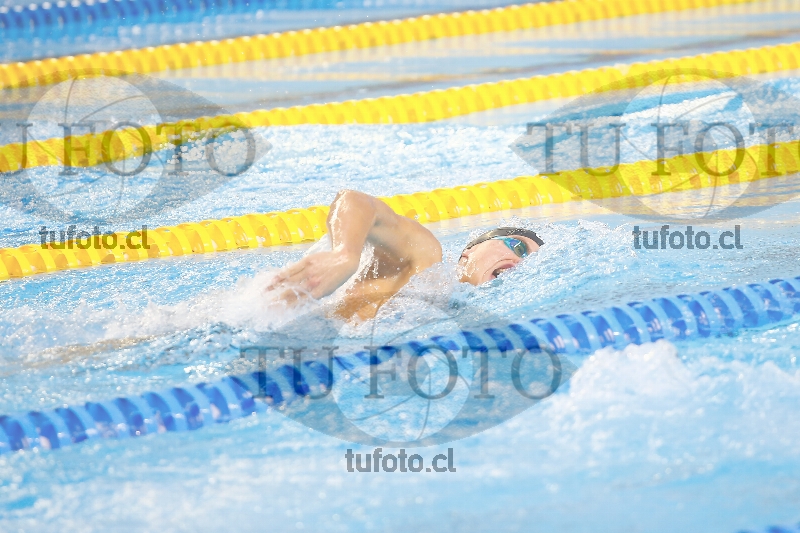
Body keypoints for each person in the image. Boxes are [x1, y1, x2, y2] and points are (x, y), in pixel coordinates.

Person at [267, 190, 543, 320]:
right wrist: (345, 254)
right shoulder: (425, 260)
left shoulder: (454, 313)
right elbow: (354, 201)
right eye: (519, 247)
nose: (520, 263)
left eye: (532, 264)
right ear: (469, 251)